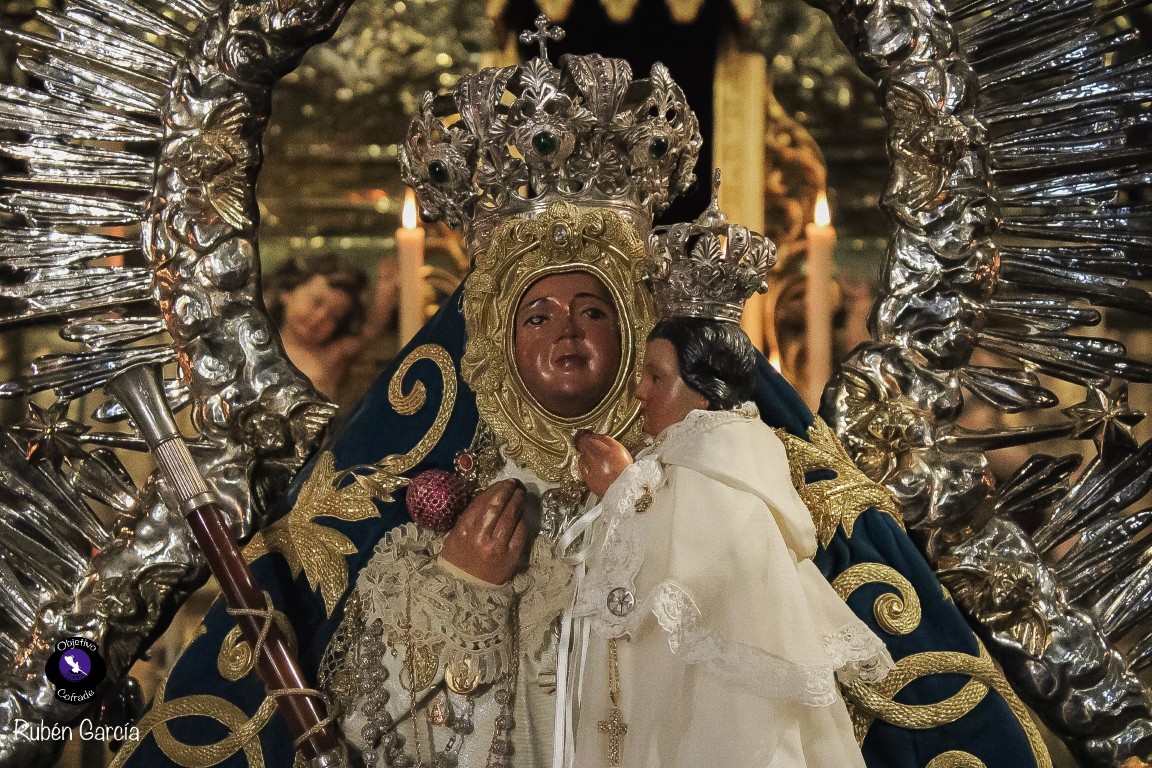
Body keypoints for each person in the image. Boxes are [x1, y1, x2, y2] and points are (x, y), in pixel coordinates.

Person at [572, 316, 891, 767]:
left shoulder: (718, 469)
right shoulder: (684, 462)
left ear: (703, 392)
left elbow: (699, 585)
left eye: (656, 377)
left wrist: (625, 491)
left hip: (712, 713)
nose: (639, 391)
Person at [265, 252, 399, 402]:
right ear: (287, 292)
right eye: (316, 302)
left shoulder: (330, 357)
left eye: (334, 317)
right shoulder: (259, 345)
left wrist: (386, 289)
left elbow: (371, 329)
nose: (319, 318)